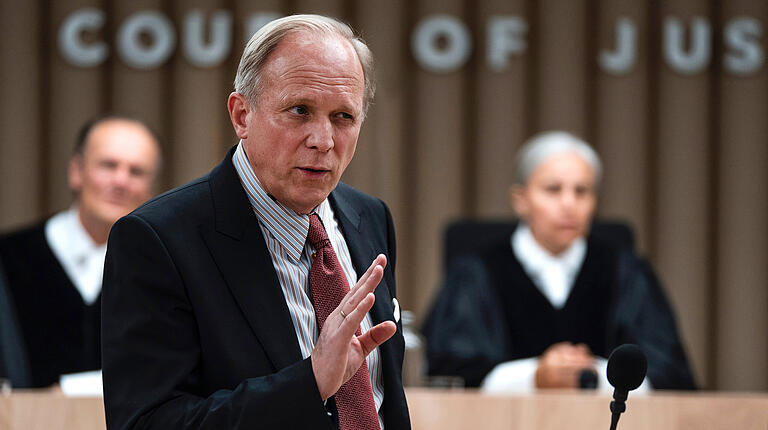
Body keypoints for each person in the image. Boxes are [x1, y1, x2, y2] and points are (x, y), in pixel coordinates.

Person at [101, 14, 411, 430]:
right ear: (242, 114)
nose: (322, 140)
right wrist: (310, 382)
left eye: (343, 117)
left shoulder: (370, 217)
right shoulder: (158, 240)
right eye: (300, 110)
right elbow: (147, 423)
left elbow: (383, 402)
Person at [423, 131, 696, 392]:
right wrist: (534, 376)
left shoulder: (625, 271)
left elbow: (669, 373)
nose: (569, 203)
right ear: (521, 200)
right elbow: (448, 372)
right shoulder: (475, 271)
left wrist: (596, 373)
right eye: (553, 189)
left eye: (582, 191)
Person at [0, 116, 161, 388]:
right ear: (76, 171)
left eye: (136, 172)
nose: (121, 181)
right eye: (108, 165)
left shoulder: (162, 269)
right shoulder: (7, 259)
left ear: (151, 188)